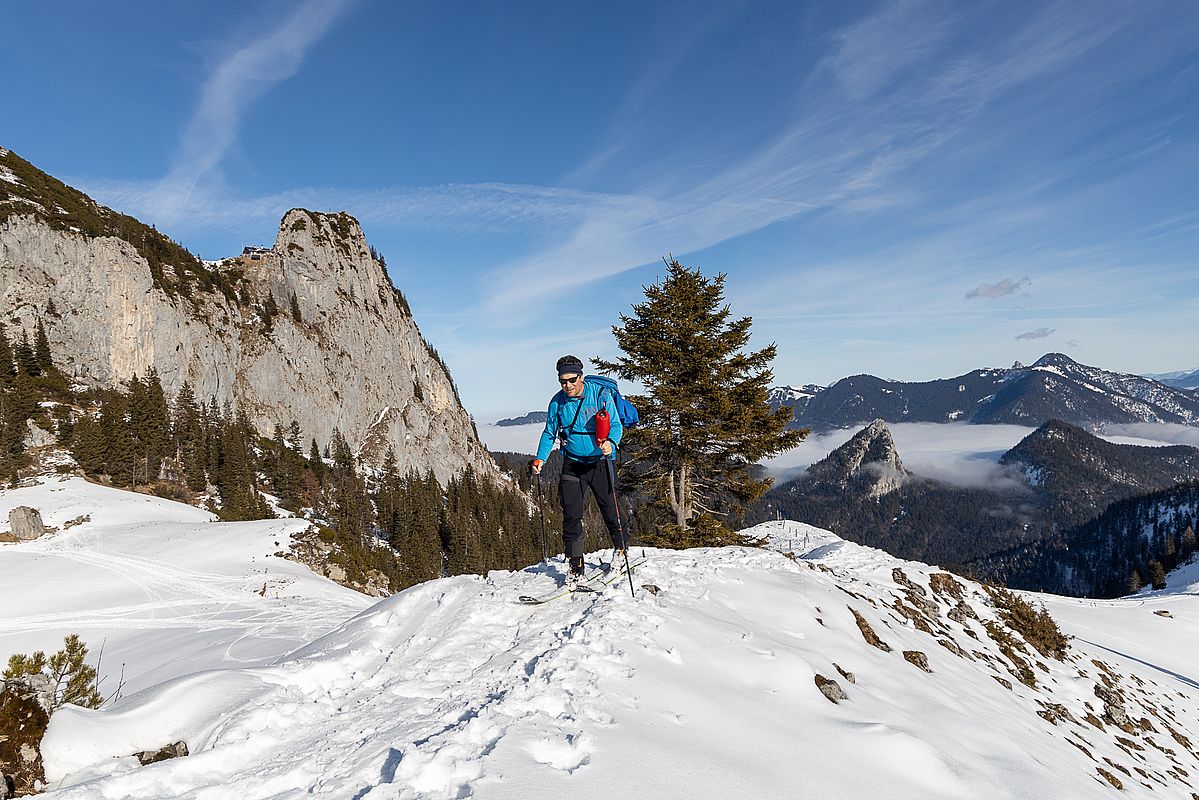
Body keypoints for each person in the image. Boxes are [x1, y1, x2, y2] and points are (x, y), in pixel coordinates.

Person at [531, 355, 626, 586]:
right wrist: (540, 458)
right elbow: (549, 432)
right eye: (562, 381)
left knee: (609, 510)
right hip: (572, 462)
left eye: (572, 379)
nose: (567, 385)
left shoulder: (600, 395)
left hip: (600, 462)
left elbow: (615, 425)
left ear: (581, 376)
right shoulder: (557, 402)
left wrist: (610, 443)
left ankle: (621, 551)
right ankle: (575, 565)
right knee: (571, 514)